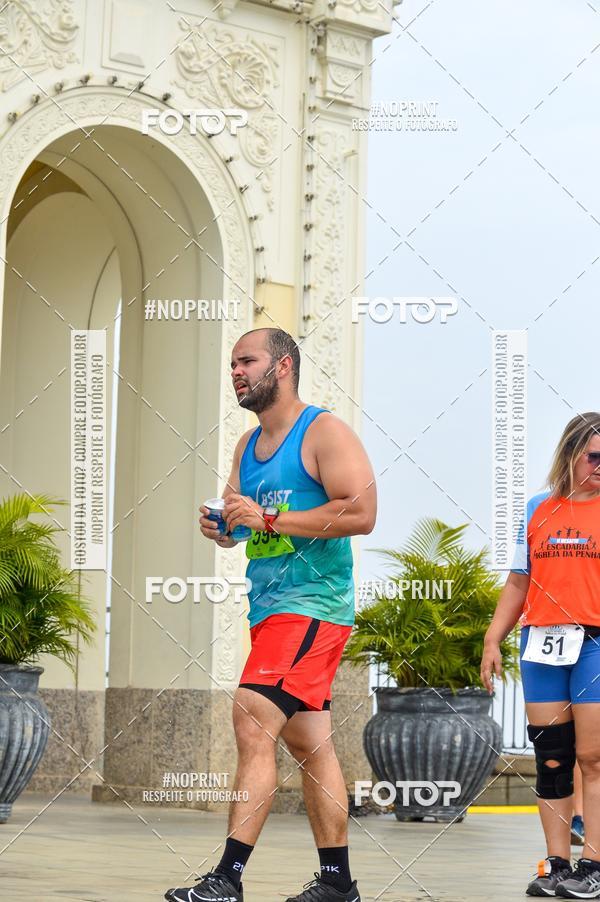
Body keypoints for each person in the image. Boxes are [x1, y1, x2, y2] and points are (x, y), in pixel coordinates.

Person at [164, 327, 377, 902]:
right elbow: (243, 521)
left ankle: (227, 878)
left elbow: (361, 513)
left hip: (313, 607)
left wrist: (269, 521)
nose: (235, 371)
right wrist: (223, 527)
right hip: (269, 610)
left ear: (282, 366)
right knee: (311, 743)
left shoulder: (323, 431)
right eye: (232, 363)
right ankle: (337, 883)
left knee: (252, 719)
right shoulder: (247, 445)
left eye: (246, 361)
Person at [481, 412, 600, 898]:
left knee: (593, 759)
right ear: (570, 453)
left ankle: (594, 865)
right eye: (593, 456)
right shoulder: (537, 509)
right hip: (543, 644)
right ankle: (557, 865)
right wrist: (493, 638)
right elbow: (518, 581)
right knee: (552, 759)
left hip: (594, 643)